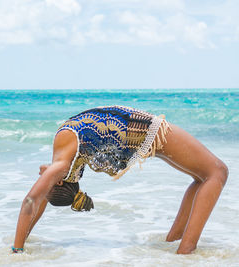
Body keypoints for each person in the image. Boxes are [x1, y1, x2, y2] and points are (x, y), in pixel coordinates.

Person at [12, 106, 228, 254]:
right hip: (151, 132)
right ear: (57, 182)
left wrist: (25, 239)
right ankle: (186, 252)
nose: (41, 176)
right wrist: (17, 249)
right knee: (217, 172)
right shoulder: (61, 166)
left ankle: (175, 243)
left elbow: (39, 199)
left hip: (144, 131)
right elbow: (32, 200)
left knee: (203, 178)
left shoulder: (61, 160)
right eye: (47, 182)